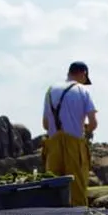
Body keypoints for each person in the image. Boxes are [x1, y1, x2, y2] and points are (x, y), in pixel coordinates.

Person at [41, 61, 98, 207]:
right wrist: (87, 131)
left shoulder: (50, 90)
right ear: (83, 73)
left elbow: (46, 124)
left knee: (53, 187)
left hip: (53, 144)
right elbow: (93, 123)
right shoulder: (82, 90)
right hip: (74, 143)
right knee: (76, 187)